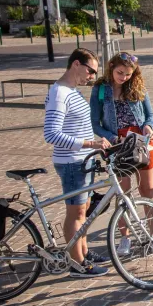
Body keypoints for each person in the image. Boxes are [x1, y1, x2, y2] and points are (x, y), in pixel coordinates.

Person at [43, 48, 111, 277]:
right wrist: (90, 144)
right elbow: (51, 134)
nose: (91, 77)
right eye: (90, 71)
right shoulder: (59, 93)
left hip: (82, 160)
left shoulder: (71, 91)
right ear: (76, 64)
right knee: (76, 213)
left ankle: (83, 251)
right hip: (72, 162)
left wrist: (94, 144)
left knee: (83, 210)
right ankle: (77, 264)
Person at [90, 52, 153, 255]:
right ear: (111, 67)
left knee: (147, 190)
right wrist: (112, 138)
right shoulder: (100, 90)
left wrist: (148, 126)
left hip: (141, 141)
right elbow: (95, 123)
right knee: (123, 193)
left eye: (128, 74)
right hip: (118, 144)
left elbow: (150, 115)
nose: (124, 77)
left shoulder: (137, 86)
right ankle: (125, 238)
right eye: (120, 73)